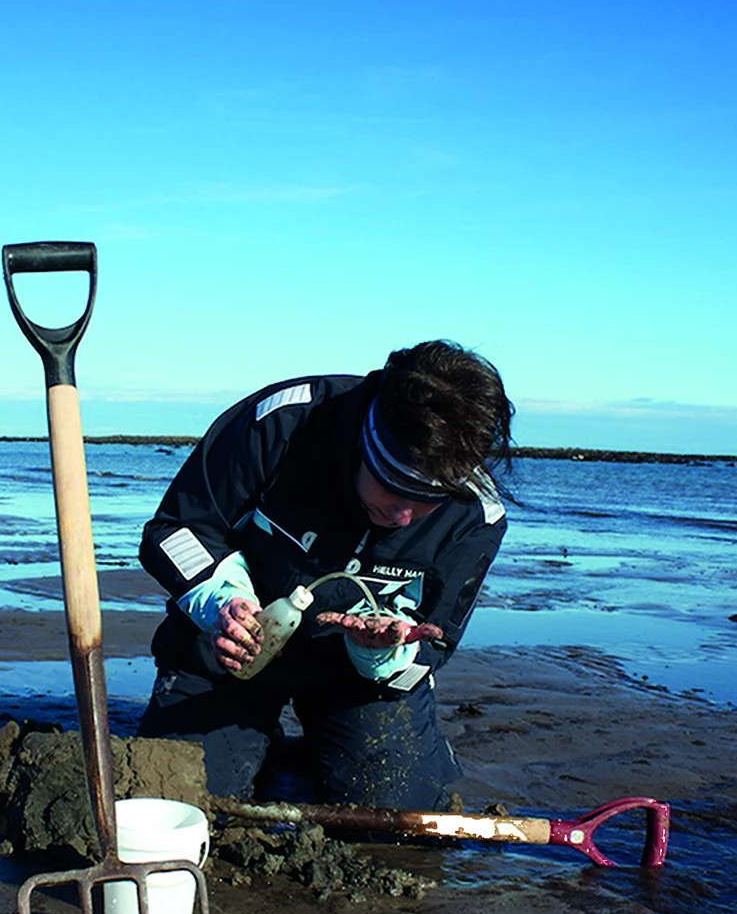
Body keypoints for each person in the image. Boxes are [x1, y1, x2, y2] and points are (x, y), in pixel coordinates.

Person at [135, 340, 514, 810]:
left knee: (396, 812)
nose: (402, 515)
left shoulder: (476, 512)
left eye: (425, 500)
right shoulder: (282, 422)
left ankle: (327, 748)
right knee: (180, 800)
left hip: (356, 681)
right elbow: (177, 529)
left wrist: (381, 653)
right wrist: (223, 603)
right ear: (367, 440)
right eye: (394, 484)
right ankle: (255, 738)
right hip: (230, 651)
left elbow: (433, 641)